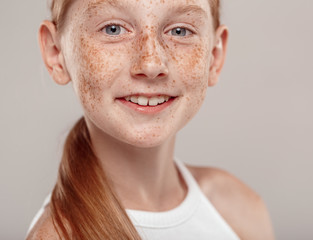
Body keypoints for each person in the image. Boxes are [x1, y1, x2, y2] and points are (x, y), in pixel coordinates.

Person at [26, 0, 274, 239]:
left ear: (215, 55)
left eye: (180, 30)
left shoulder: (239, 210)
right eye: (113, 29)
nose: (151, 63)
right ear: (55, 52)